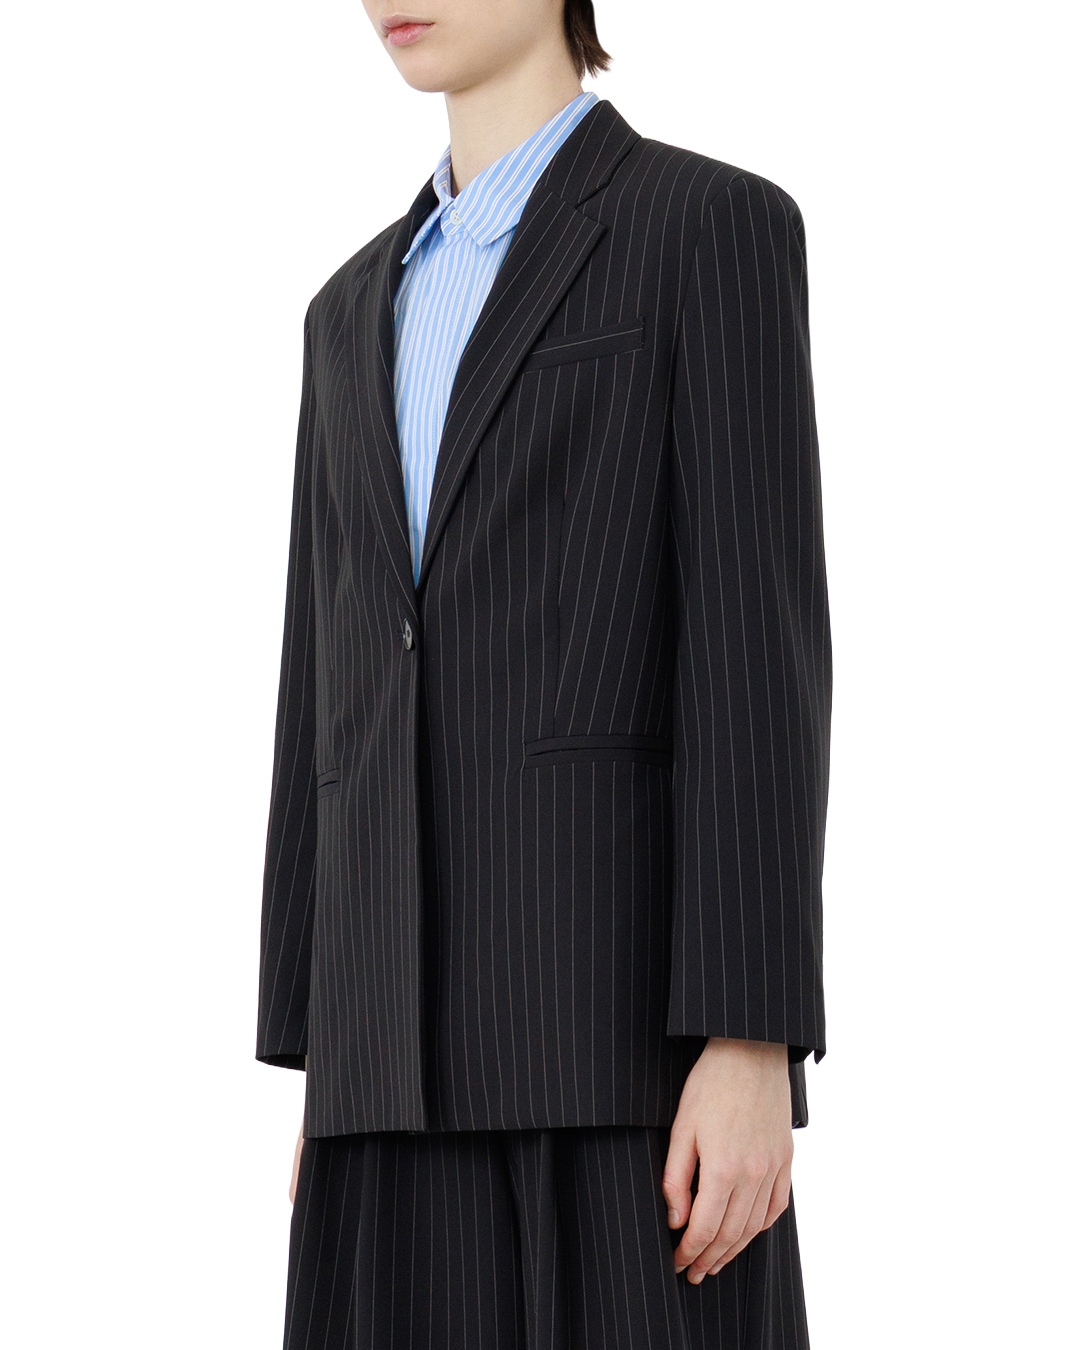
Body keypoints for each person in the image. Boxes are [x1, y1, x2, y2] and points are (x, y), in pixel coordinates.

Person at [255, 2, 832, 1346]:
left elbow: (756, 645)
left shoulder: (711, 229)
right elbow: (322, 690)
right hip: (385, 1075)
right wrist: (326, 1057)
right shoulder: (345, 310)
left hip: (621, 1055)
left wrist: (751, 1038)